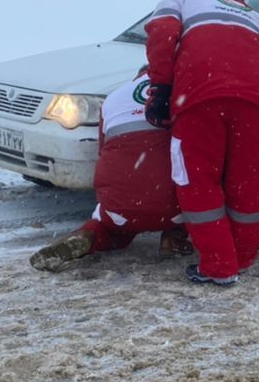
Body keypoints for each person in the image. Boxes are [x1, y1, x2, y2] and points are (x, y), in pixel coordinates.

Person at [144, 0, 259, 284]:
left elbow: (161, 34)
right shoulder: (258, 20)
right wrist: (243, 84)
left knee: (197, 179)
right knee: (251, 182)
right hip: (254, 107)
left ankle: (219, 265)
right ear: (240, 0)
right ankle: (243, 256)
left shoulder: (184, 0)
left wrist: (163, 86)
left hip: (198, 99)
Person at [30, 70, 191, 272]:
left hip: (120, 196)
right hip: (173, 202)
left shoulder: (115, 96)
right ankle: (174, 237)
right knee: (197, 193)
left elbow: (103, 149)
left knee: (112, 225)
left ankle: (87, 236)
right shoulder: (186, 90)